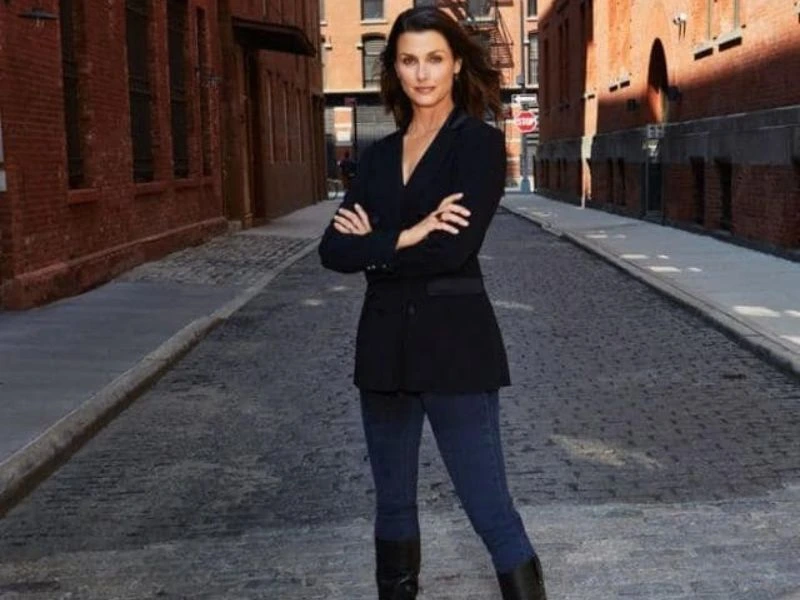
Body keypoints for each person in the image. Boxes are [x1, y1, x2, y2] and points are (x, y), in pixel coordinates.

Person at [318, 7, 547, 600]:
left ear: (456, 65)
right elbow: (332, 250)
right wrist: (408, 235)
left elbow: (453, 249)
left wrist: (376, 245)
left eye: (435, 59)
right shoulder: (376, 156)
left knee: (489, 507)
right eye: (409, 60)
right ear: (394, 69)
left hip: (455, 351)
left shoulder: (478, 146)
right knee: (392, 505)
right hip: (383, 352)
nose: (422, 73)